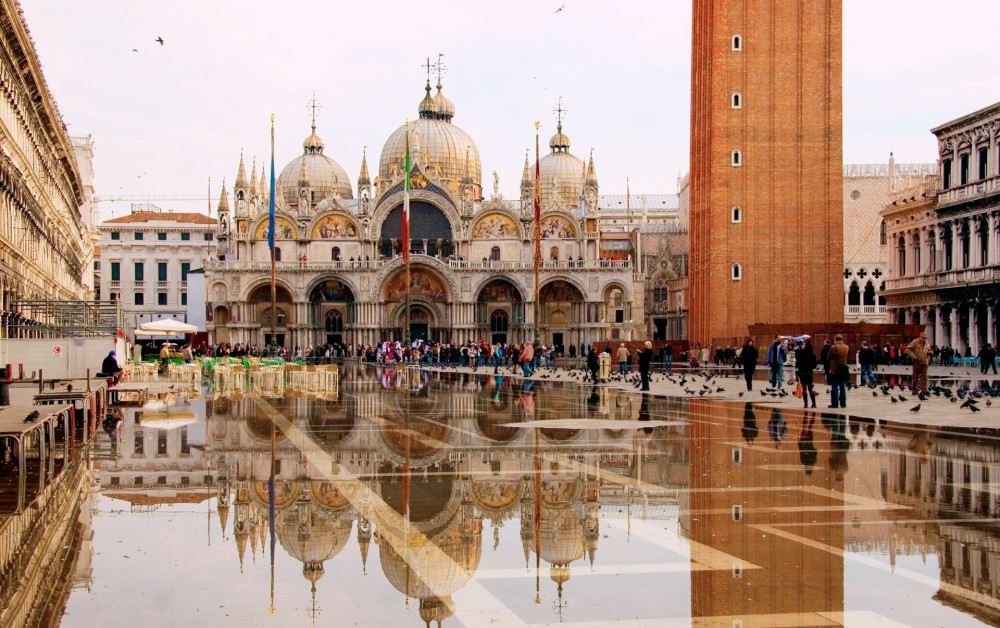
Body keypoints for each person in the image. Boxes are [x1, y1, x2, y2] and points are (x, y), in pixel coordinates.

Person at [827, 334, 849, 408]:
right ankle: (843, 403)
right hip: (843, 369)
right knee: (842, 386)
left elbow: (829, 356)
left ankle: (835, 403)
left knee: (835, 386)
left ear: (835, 339)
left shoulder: (833, 347)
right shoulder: (846, 347)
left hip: (834, 369)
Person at [795, 340, 818, 408]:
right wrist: (810, 368)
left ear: (806, 346)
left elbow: (799, 365)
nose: (802, 345)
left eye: (803, 344)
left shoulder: (801, 354)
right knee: (810, 388)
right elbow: (815, 365)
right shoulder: (812, 354)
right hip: (809, 373)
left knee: (804, 389)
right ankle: (814, 403)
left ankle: (806, 404)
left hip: (803, 373)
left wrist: (797, 374)